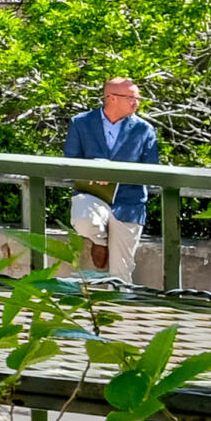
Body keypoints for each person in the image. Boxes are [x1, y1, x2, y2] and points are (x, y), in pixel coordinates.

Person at [63, 78, 158, 281]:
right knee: (82, 220)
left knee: (121, 274)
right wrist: (94, 170)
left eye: (138, 98)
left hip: (129, 201)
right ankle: (100, 240)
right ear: (111, 98)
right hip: (91, 194)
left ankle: (119, 311)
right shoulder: (81, 122)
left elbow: (152, 170)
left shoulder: (145, 130)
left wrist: (114, 173)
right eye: (131, 97)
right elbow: (70, 161)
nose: (137, 102)